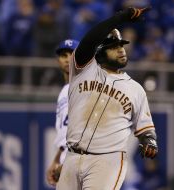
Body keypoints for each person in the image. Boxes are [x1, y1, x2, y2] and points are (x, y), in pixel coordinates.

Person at [57, 6, 158, 190]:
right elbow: (89, 40)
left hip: (107, 160)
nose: (121, 49)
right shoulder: (81, 70)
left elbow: (145, 128)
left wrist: (149, 142)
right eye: (114, 46)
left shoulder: (135, 89)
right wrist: (121, 17)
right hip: (72, 157)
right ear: (101, 51)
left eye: (121, 45)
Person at [46, 39, 79, 187]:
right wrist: (56, 159)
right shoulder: (64, 91)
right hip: (66, 159)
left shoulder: (85, 86)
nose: (67, 59)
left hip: (78, 162)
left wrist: (67, 164)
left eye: (72, 54)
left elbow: (84, 131)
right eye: (63, 55)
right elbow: (64, 133)